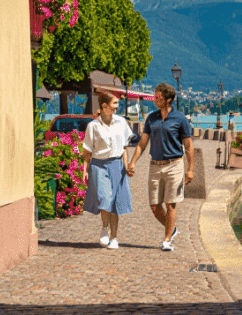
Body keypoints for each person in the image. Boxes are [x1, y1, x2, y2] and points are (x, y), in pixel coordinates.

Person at [127, 82, 194, 251]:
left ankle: (167, 239)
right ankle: (172, 229)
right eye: (155, 97)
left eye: (158, 97)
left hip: (174, 165)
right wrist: (133, 162)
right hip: (155, 166)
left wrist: (190, 169)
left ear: (168, 100)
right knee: (155, 206)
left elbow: (188, 145)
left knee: (170, 204)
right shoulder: (152, 118)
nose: (155, 100)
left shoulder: (180, 119)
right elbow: (142, 143)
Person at [81, 91, 135, 249]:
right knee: (104, 199)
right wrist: (85, 170)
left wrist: (127, 166)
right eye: (115, 103)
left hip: (117, 165)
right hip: (98, 165)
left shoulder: (122, 122)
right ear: (104, 106)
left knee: (115, 204)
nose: (118, 106)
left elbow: (125, 147)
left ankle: (114, 237)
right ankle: (104, 228)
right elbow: (87, 151)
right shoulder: (93, 126)